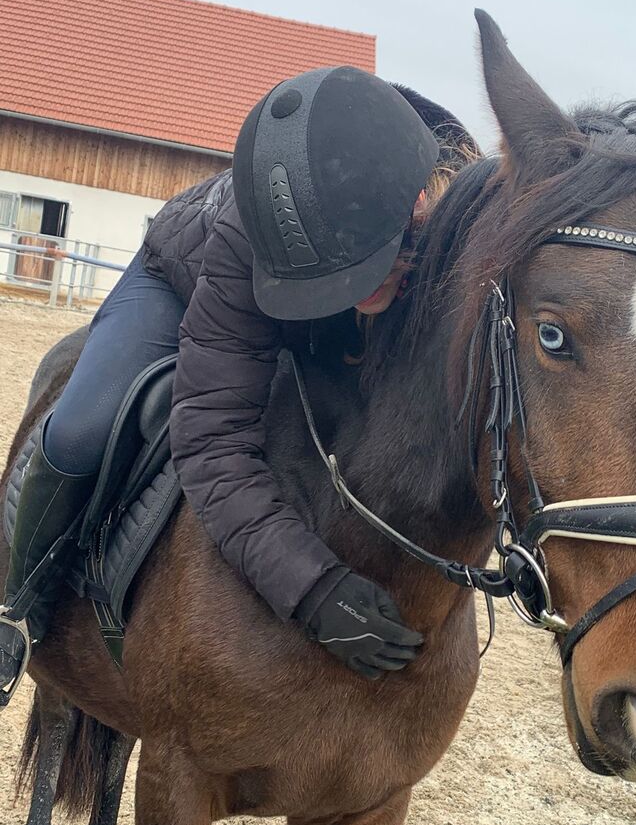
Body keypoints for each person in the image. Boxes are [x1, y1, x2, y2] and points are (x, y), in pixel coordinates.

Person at [1, 66, 450, 700]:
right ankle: (19, 603)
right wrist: (311, 587)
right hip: (185, 280)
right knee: (80, 430)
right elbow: (212, 439)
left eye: (366, 272)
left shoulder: (450, 218)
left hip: (307, 300)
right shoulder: (244, 243)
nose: (354, 296)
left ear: (419, 205)